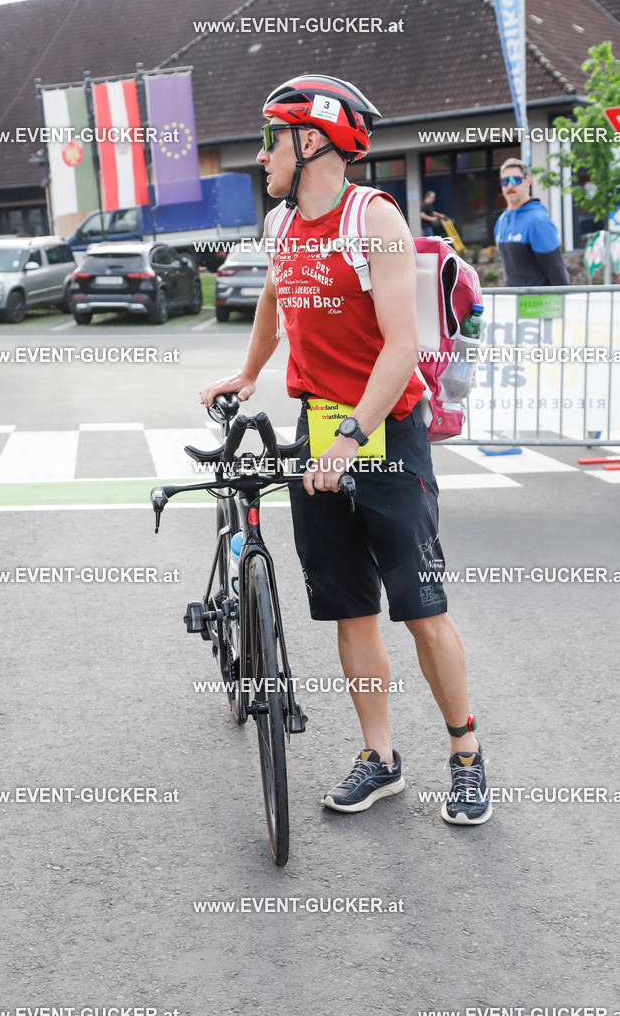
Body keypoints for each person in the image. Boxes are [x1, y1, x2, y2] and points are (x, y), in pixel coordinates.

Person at [199, 74, 491, 825]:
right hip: (319, 427)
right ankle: (381, 758)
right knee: (349, 610)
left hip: (387, 432)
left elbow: (401, 347)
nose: (262, 156)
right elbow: (275, 297)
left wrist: (353, 439)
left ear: (313, 141)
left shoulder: (375, 220)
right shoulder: (279, 226)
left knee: (421, 609)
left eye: (272, 139)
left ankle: (465, 755)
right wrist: (251, 370)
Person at [494, 157, 570, 286]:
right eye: (505, 181)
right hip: (514, 303)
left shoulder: (538, 221)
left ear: (527, 181)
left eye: (515, 180)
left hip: (540, 304)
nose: (510, 186)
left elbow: (558, 274)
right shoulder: (501, 221)